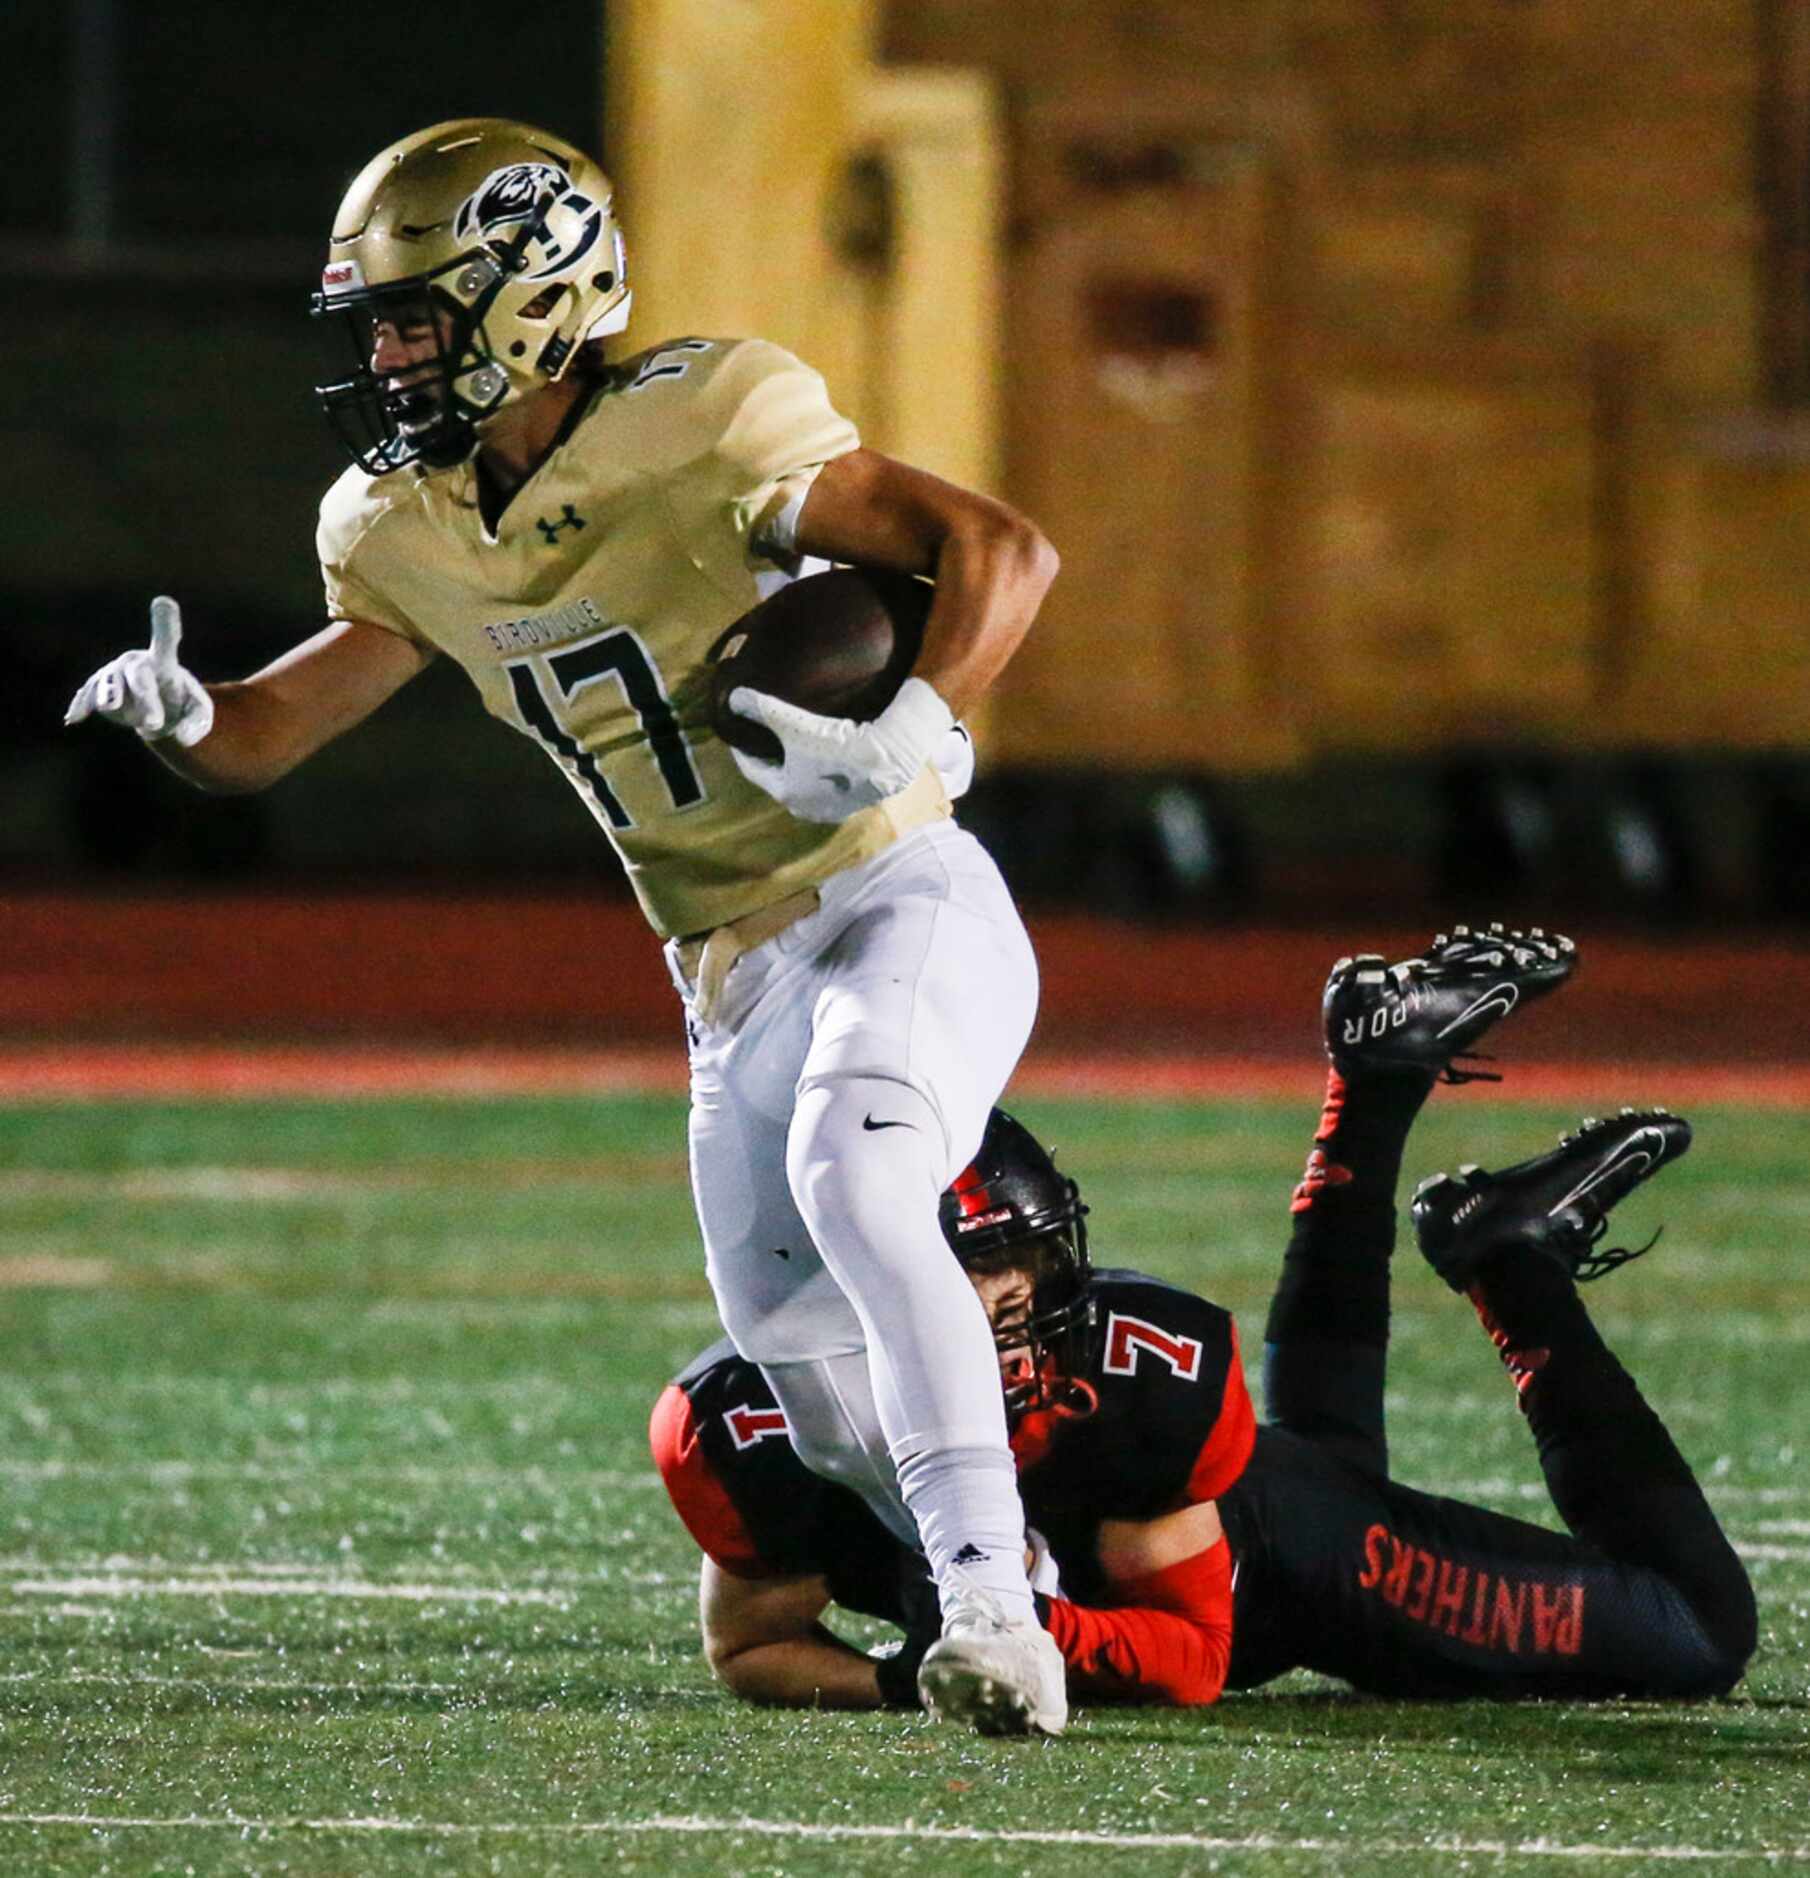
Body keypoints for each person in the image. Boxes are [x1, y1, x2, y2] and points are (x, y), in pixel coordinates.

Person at [63, 117, 1066, 1734]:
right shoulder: (399, 524)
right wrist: (185, 716)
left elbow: (1000, 549)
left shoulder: (707, 416)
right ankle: (1033, 1572)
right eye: (377, 321)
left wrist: (930, 721)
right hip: (724, 980)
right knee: (801, 1368)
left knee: (861, 1173)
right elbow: (265, 736)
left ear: (527, 299)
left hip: (894, 890)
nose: (386, 354)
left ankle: (999, 1618)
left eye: (414, 316)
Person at [651, 924, 1756, 1713]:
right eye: (963, 1277)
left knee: (1699, 1636)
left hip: (1285, 1566)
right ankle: (1380, 1092)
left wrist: (1015, 1630)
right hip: (1221, 1526)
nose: (1004, 1307)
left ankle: (1514, 1266)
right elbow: (754, 1647)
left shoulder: (1130, 1385)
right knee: (1326, 1454)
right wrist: (911, 1675)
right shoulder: (755, 1416)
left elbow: (1192, 1656)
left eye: (1017, 1272)